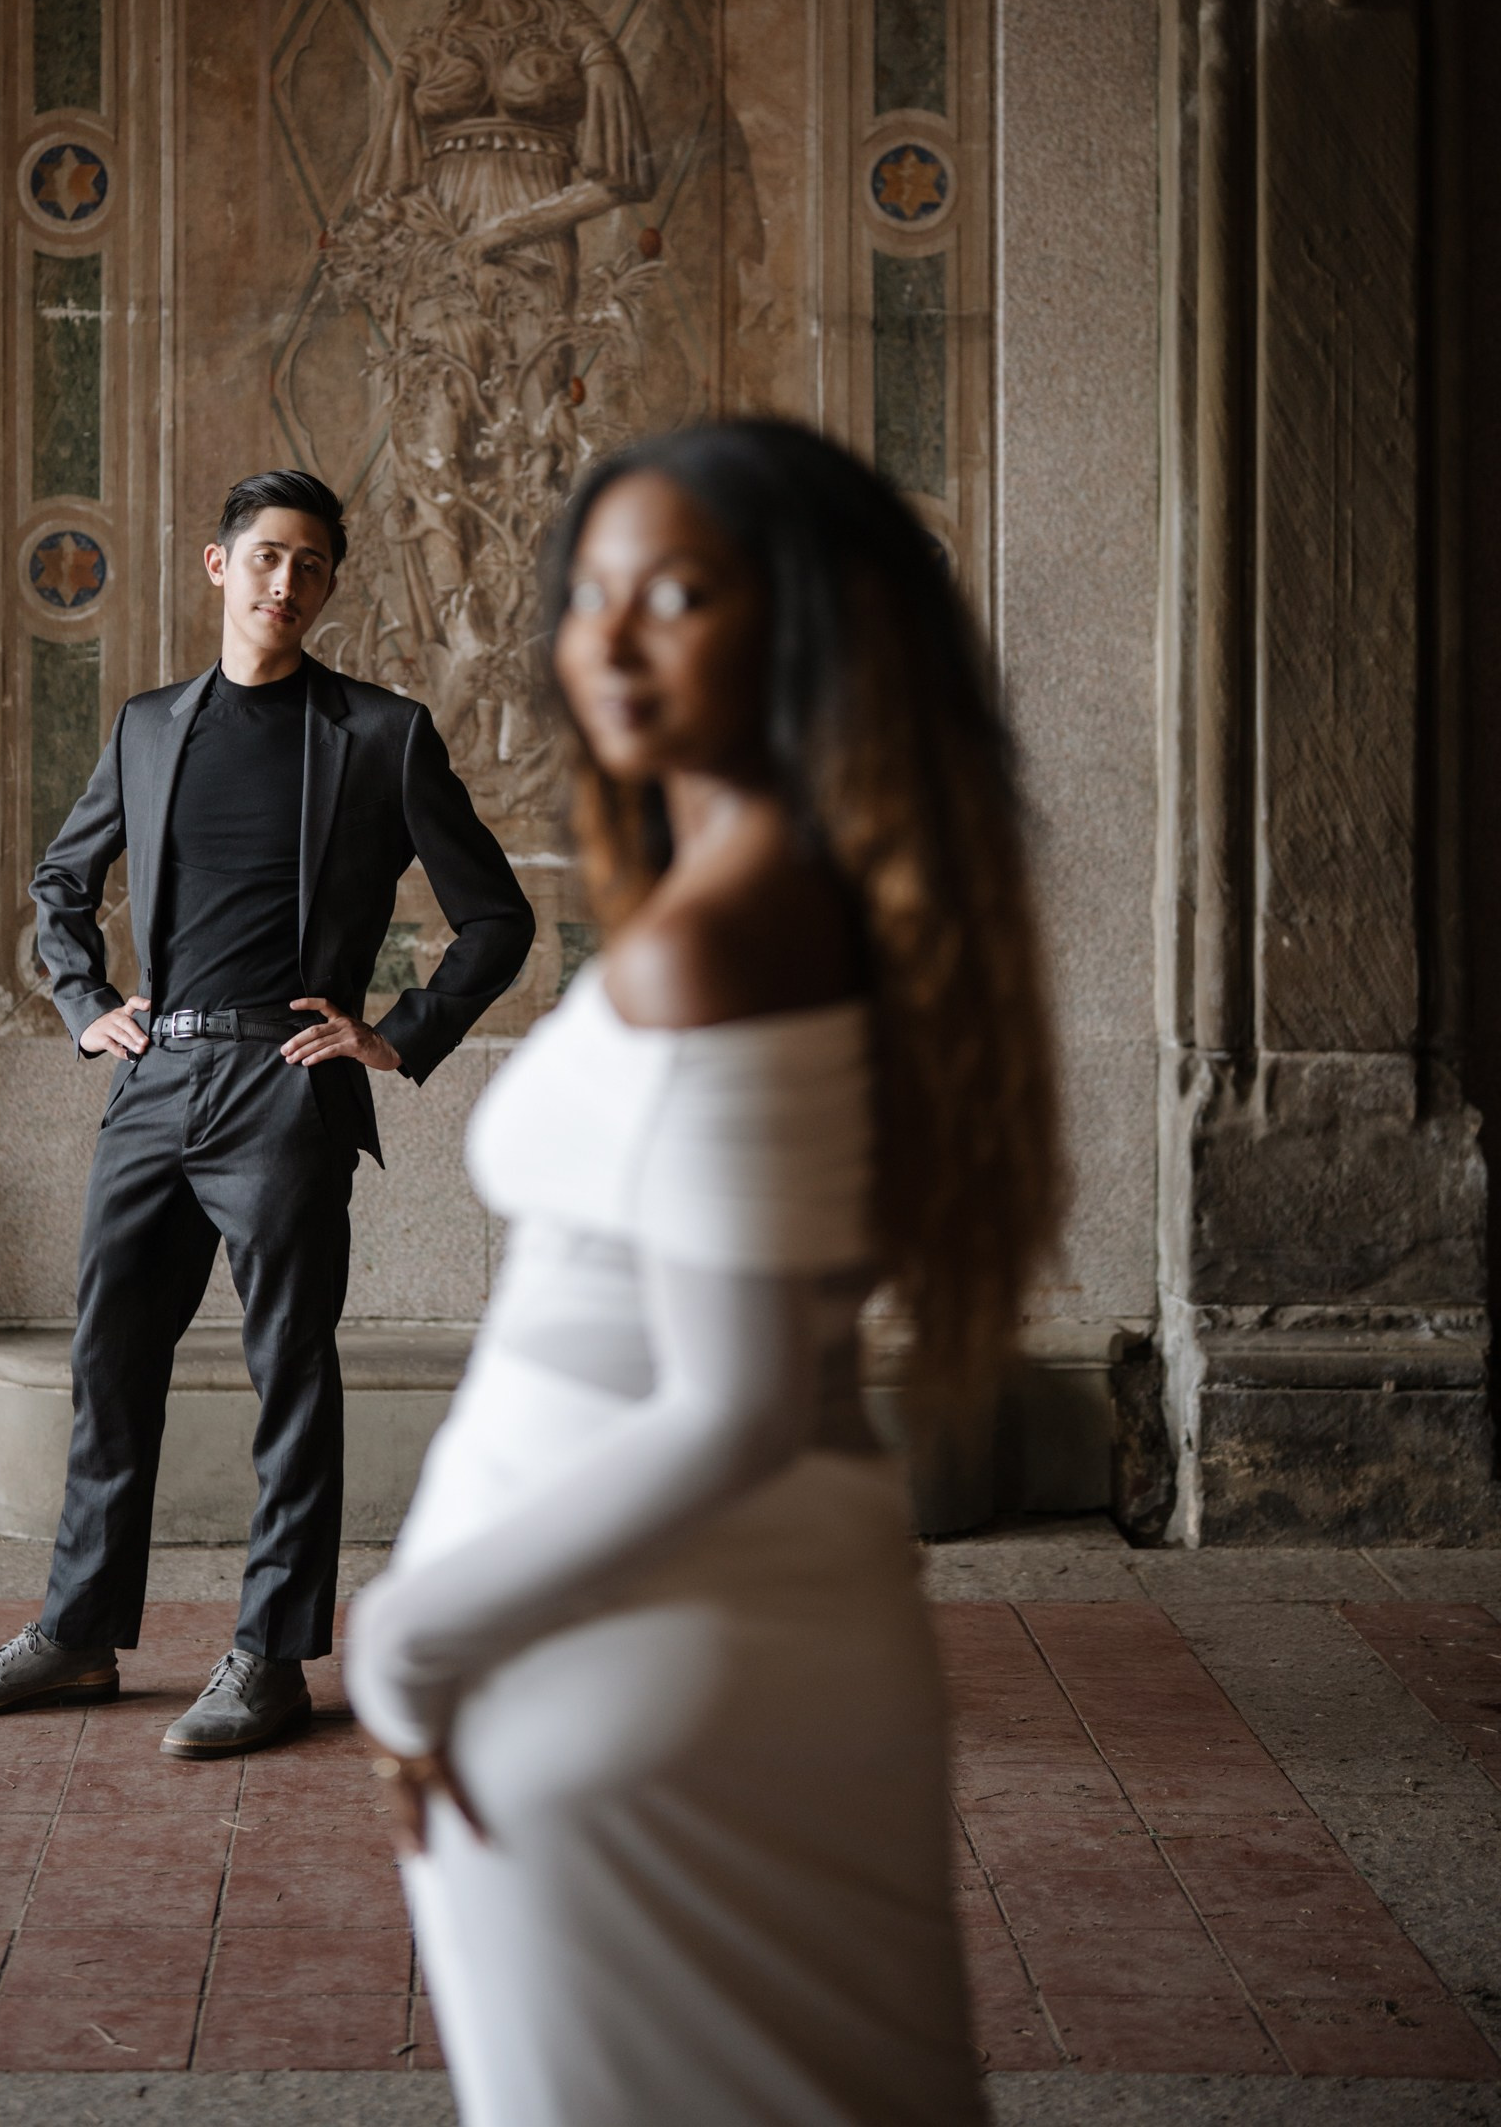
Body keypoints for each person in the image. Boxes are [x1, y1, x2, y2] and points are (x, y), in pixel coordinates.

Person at [346, 419, 1063, 2125]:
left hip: (628, 1667)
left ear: (811, 625)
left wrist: (407, 1638)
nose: (609, 636)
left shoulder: (721, 937)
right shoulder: (805, 895)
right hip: (714, 1634)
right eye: (591, 592)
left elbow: (733, 1410)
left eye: (680, 592)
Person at [0, 468, 534, 1753]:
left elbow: (495, 918)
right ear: (218, 566)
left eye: (310, 564)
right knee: (109, 1358)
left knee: (287, 1372)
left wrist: (395, 1036)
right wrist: (87, 1001)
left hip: (284, 1086)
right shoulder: (150, 726)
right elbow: (61, 881)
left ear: (327, 583)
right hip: (155, 1081)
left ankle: (269, 1657)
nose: (284, 582)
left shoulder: (379, 734)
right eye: (264, 558)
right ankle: (79, 1636)